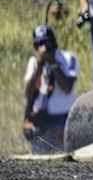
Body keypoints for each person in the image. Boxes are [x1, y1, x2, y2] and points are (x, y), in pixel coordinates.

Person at [22, 25, 79, 153]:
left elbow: (67, 87)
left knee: (63, 158)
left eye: (45, 43)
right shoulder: (34, 62)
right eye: (38, 44)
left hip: (62, 119)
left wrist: (53, 63)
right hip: (41, 119)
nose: (43, 48)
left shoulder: (68, 58)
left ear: (53, 42)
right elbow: (28, 93)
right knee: (40, 161)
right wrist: (40, 66)